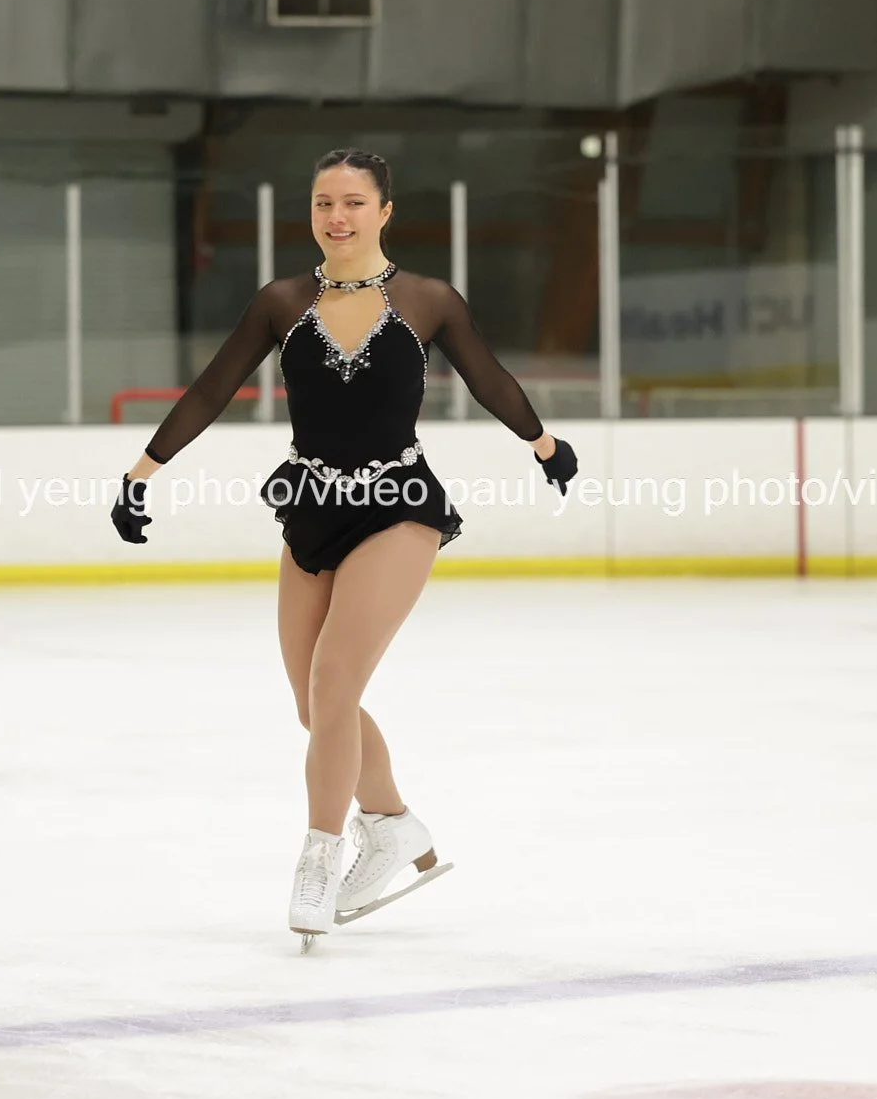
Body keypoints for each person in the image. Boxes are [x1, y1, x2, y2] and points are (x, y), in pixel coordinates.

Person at [111, 147, 577, 950]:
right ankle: (392, 824)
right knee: (315, 703)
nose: (338, 216)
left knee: (333, 681)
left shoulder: (427, 300)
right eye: (325, 201)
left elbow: (488, 377)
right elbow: (213, 388)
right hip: (311, 506)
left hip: (399, 505)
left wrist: (543, 444)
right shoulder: (282, 302)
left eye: (355, 202)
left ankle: (319, 857)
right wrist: (141, 473)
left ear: (384, 211)